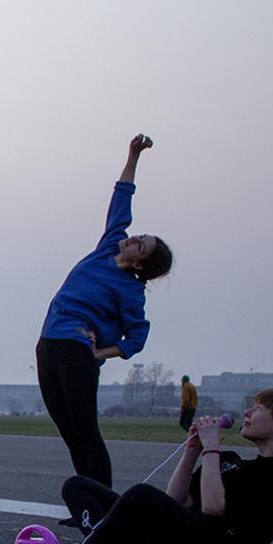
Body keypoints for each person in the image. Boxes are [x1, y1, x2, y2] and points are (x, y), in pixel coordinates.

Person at [60, 388, 273, 544]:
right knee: (78, 486)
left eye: (258, 409)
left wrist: (212, 448)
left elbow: (215, 508)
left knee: (140, 494)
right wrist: (192, 453)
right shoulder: (230, 460)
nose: (247, 412)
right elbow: (177, 501)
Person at [36, 134, 172, 488]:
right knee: (68, 430)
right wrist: (132, 156)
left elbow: (138, 335)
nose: (133, 239)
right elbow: (121, 197)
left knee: (86, 430)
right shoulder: (108, 244)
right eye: (138, 235)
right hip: (48, 343)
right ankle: (86, 501)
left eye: (141, 244)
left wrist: (102, 352)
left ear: (142, 263)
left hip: (77, 351)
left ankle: (105, 505)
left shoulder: (130, 290)